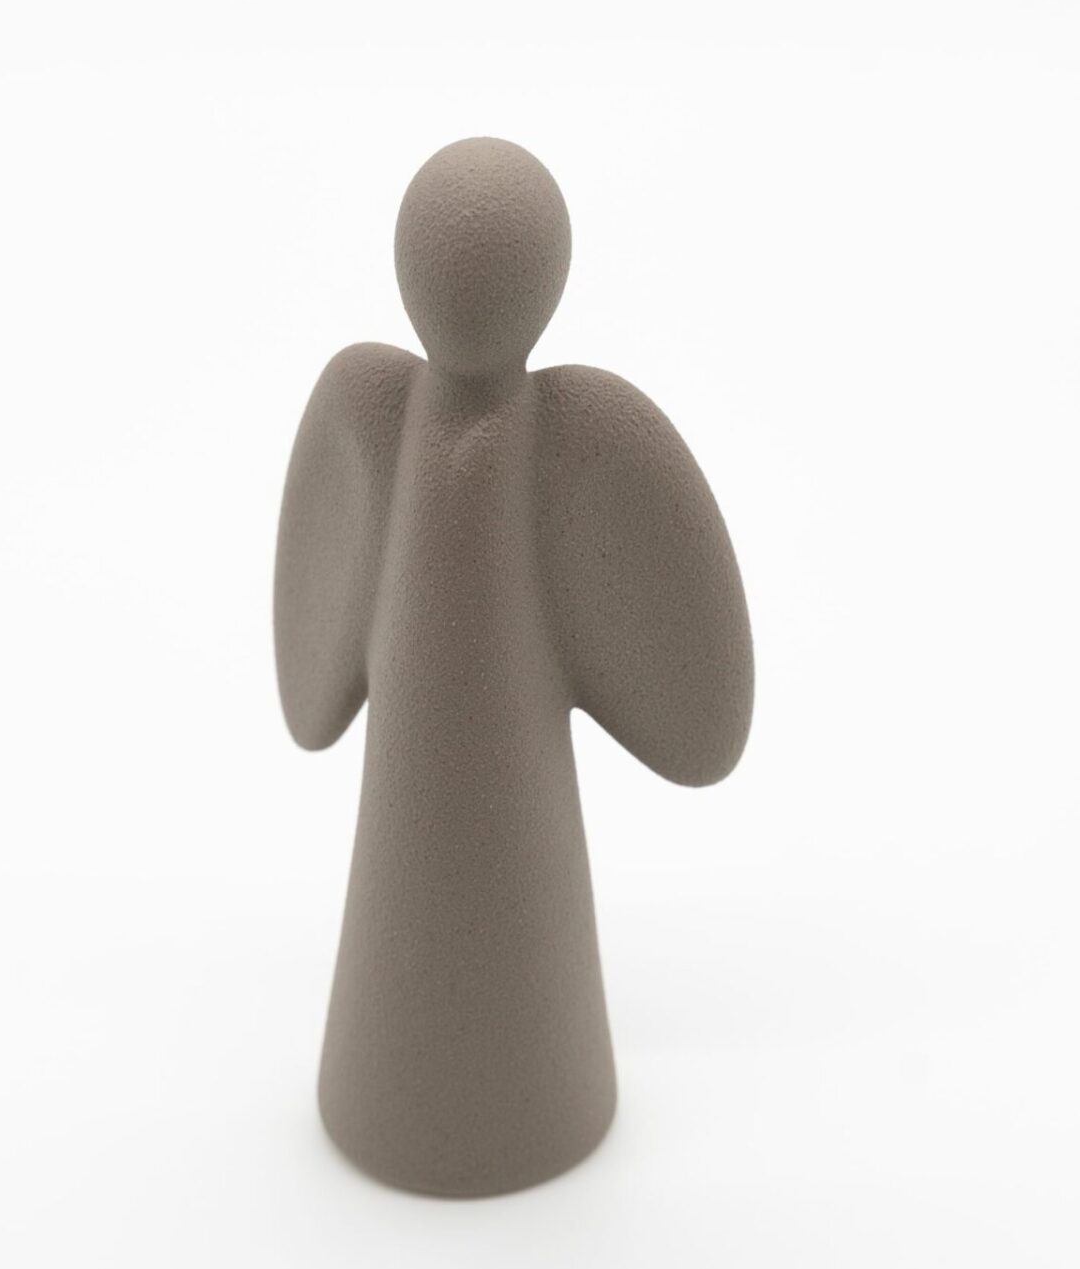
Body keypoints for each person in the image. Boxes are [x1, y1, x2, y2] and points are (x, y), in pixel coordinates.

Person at [274, 137, 754, 1197]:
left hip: (533, 991)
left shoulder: (580, 438)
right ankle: (432, 1099)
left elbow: (703, 724)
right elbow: (311, 678)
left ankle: (495, 1098)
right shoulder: (374, 411)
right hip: (418, 939)